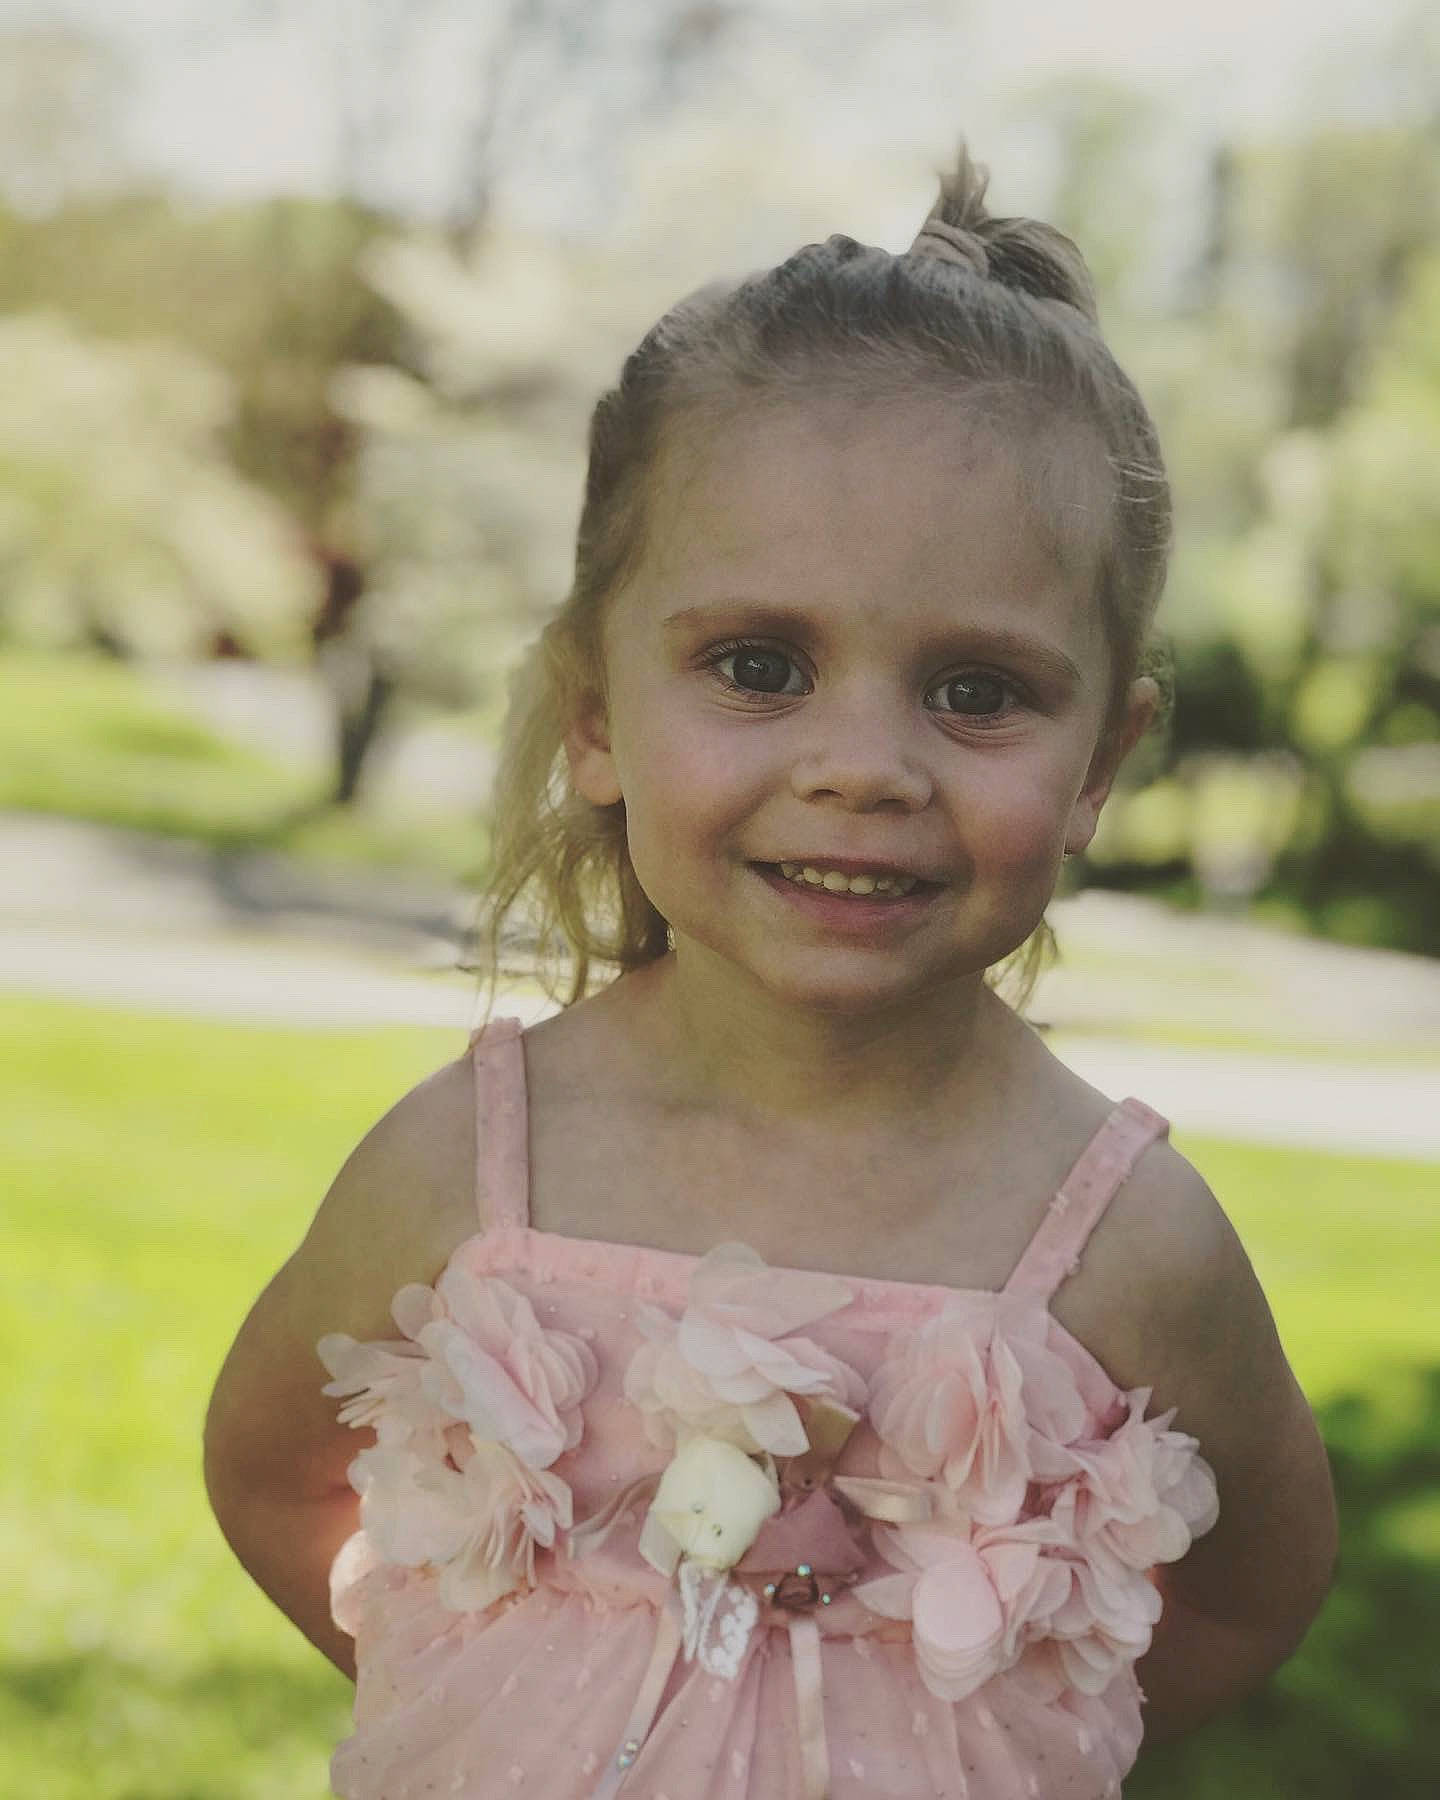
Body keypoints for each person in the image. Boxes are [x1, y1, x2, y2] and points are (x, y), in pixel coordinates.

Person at [205, 144, 1338, 1799]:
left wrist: (1024, 1732)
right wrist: (470, 1695)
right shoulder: (473, 1164)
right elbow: (263, 1475)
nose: (864, 765)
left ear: (1104, 756)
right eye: (758, 665)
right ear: (595, 711)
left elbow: (1253, 1593)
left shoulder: (1124, 1242)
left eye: (977, 691)